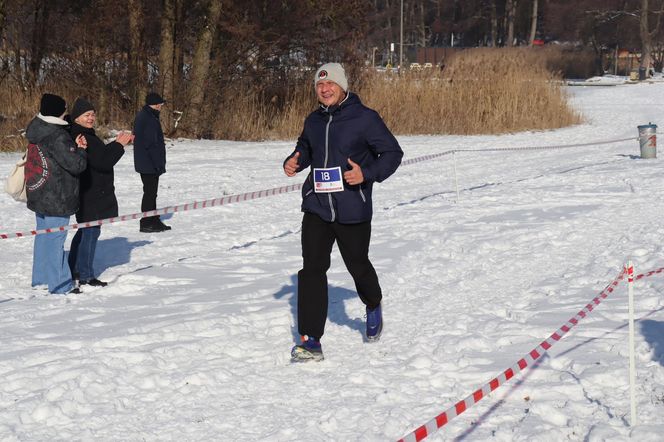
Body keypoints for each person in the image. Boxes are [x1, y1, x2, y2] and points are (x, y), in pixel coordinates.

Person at [283, 63, 404, 362]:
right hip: (317, 207)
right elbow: (306, 147)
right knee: (312, 268)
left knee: (358, 265)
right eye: (319, 86)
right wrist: (295, 160)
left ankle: (373, 303)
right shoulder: (313, 120)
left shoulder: (365, 118)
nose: (324, 90)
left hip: (352, 207)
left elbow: (392, 153)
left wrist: (366, 174)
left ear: (343, 86)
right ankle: (311, 340)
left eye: (330, 85)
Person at [25, 93, 88, 294]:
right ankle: (61, 285)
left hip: (38, 192)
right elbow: (76, 164)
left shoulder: (36, 128)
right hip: (57, 196)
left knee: (43, 237)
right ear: (58, 112)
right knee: (54, 240)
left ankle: (41, 278)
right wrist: (80, 149)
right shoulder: (57, 135)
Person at [67, 98, 133, 288]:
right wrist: (119, 144)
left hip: (92, 191)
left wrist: (117, 143)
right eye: (87, 115)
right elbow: (103, 161)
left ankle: (74, 268)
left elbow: (99, 156)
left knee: (84, 231)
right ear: (77, 118)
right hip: (91, 192)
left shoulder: (85, 134)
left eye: (93, 114)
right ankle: (85, 274)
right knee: (90, 232)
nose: (91, 118)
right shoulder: (83, 136)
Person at [133, 92, 170, 233]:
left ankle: (152, 219)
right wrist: (157, 164)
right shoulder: (148, 118)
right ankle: (147, 222)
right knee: (149, 193)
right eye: (160, 104)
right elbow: (151, 143)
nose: (161, 106)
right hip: (149, 164)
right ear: (155, 104)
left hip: (147, 163)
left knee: (151, 193)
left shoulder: (147, 115)